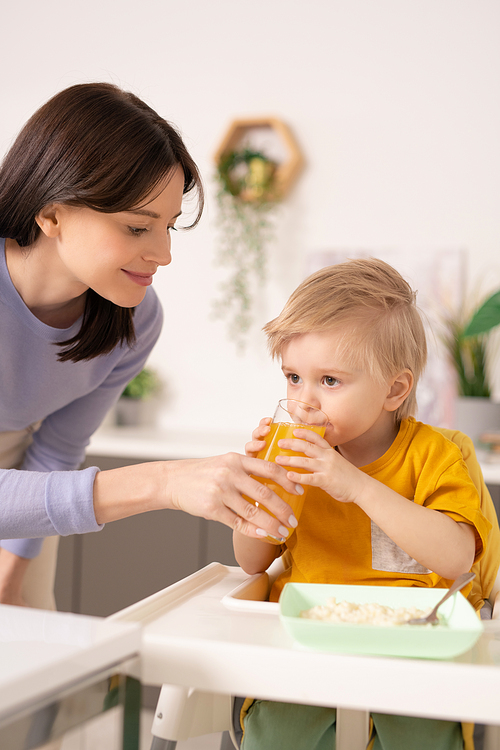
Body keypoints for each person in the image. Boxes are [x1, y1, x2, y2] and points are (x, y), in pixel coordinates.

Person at [0, 82, 300, 610]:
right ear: (50, 215)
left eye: (169, 227)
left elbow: (57, 450)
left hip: (25, 474)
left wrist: (12, 568)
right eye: (138, 227)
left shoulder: (135, 320)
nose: (162, 254)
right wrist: (165, 481)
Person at [233, 258, 491, 750]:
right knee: (277, 735)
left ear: (395, 389)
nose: (304, 402)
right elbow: (251, 562)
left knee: (427, 735)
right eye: (292, 378)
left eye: (329, 381)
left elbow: (458, 558)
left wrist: (355, 485)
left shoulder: (434, 456)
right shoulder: (297, 461)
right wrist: (261, 493)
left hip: (416, 650)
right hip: (306, 647)